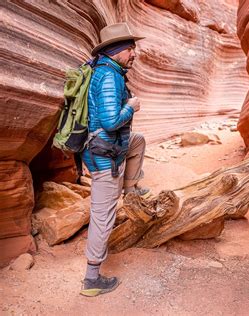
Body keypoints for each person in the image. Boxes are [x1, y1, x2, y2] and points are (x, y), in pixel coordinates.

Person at [80, 23, 150, 297]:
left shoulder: (109, 71)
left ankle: (130, 189)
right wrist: (130, 107)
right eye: (130, 48)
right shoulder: (109, 77)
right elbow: (110, 121)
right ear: (116, 50)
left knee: (138, 140)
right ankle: (91, 279)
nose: (134, 53)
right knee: (102, 216)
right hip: (103, 156)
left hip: (111, 148)